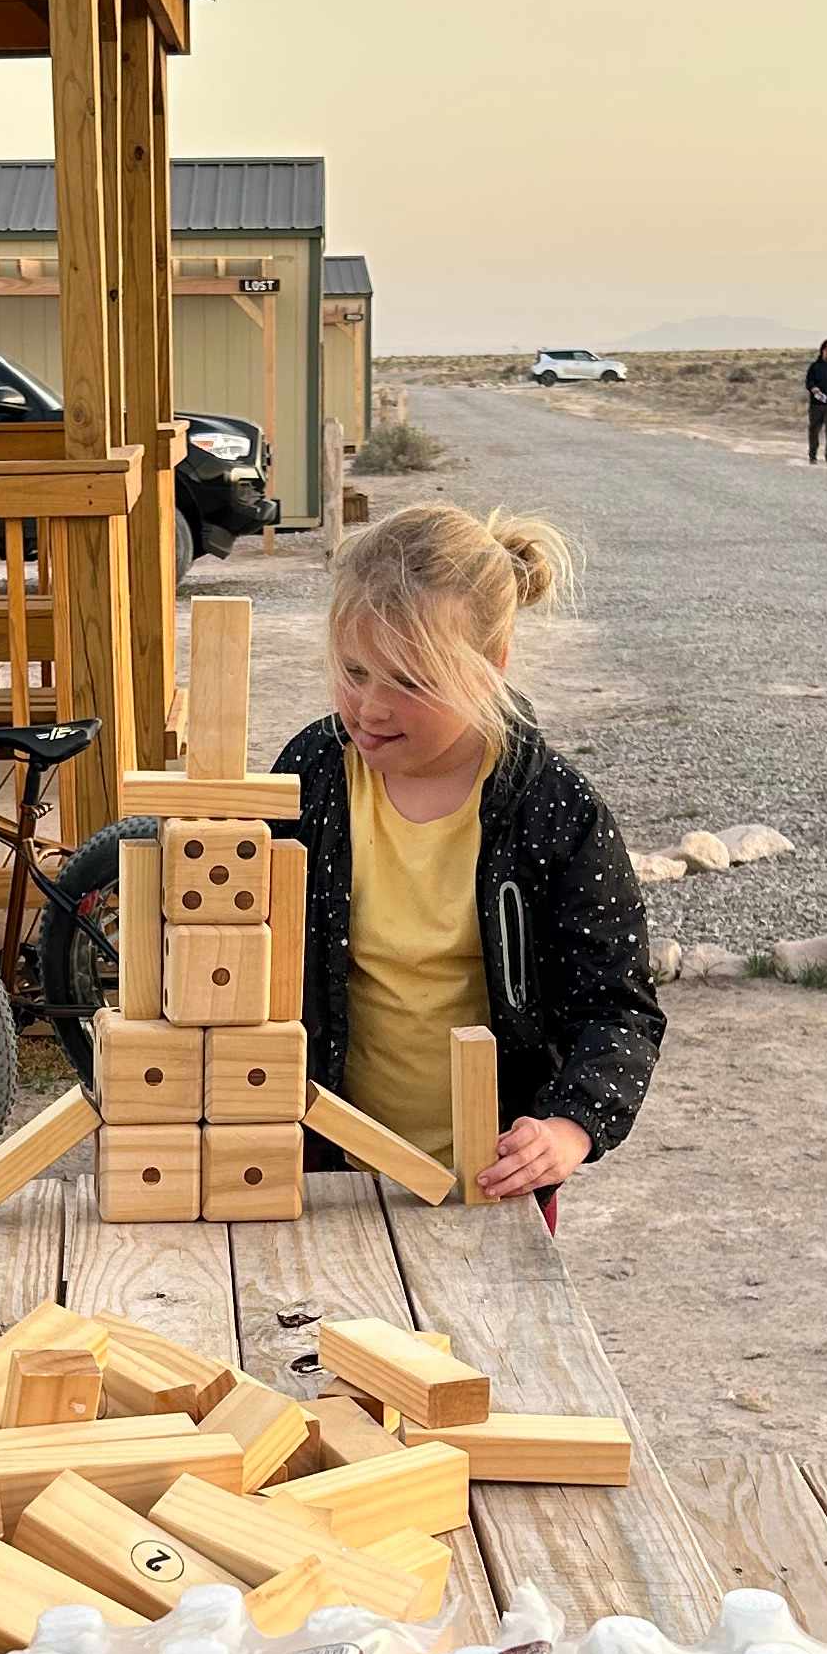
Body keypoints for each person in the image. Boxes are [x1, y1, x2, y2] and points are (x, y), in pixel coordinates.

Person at [271, 505, 663, 1218]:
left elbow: (616, 1007)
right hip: (323, 1173)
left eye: (411, 682)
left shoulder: (554, 810)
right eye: (354, 671)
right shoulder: (311, 776)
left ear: (492, 666)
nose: (370, 708)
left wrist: (569, 1127)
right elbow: (242, 934)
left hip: (491, 1181)